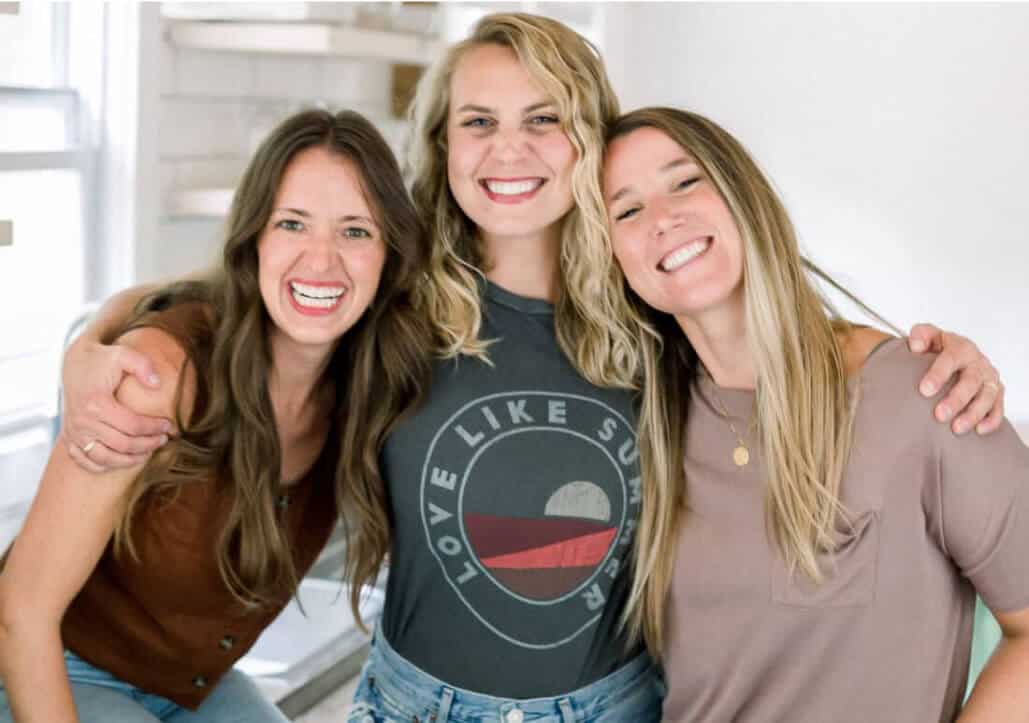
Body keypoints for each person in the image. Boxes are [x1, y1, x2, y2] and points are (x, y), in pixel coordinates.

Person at [52, 14, 1006, 723]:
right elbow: (252, 293)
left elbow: (766, 326)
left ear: (585, 141)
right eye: (477, 121)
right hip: (411, 703)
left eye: (543, 117)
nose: (508, 148)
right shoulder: (395, 302)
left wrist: (925, 360)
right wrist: (96, 343)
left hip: (614, 706)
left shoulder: (651, 315)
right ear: (442, 144)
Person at [0, 109, 431, 723]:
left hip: (189, 688)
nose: (322, 260)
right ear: (254, 239)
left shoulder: (365, 384)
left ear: (389, 253)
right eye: (292, 223)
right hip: (52, 669)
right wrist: (89, 344)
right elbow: (21, 608)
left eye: (355, 231)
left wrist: (93, 332)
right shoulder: (158, 377)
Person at [602, 106, 1029, 722]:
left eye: (685, 180)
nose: (664, 219)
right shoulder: (647, 425)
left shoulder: (925, 391)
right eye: (627, 209)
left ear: (743, 194)